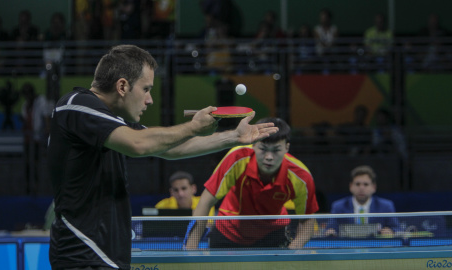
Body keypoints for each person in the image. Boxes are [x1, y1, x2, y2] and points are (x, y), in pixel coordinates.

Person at [47, 44, 278, 270]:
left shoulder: (112, 123)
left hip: (106, 257)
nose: (150, 100)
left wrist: (233, 137)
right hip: (81, 257)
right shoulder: (75, 105)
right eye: (146, 89)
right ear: (122, 86)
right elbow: (138, 144)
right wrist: (193, 127)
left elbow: (170, 148)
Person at [185, 117, 319, 250]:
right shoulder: (237, 158)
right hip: (229, 231)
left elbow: (307, 219)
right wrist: (191, 249)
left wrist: (294, 249)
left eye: (276, 150)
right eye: (263, 149)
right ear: (254, 144)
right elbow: (205, 201)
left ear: (286, 147)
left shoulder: (301, 176)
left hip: (272, 234)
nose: (269, 157)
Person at [324, 165, 400, 237]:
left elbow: (398, 229)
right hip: (348, 247)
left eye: (366, 184)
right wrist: (330, 232)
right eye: (357, 184)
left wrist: (391, 231)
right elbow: (330, 229)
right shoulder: (338, 206)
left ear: (374, 187)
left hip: (376, 247)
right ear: (350, 186)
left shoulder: (386, 206)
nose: (361, 188)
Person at [21, 82, 53, 195]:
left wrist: (47, 128)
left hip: (37, 139)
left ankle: (36, 186)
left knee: (35, 163)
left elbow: (46, 115)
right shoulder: (26, 105)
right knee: (28, 164)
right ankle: (28, 186)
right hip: (28, 139)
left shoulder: (40, 101)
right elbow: (25, 120)